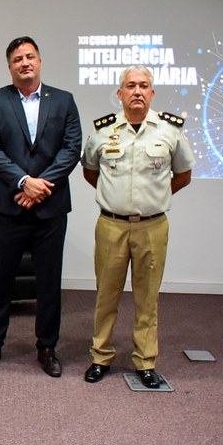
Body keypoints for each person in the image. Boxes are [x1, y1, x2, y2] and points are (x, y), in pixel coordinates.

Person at [0, 36, 82, 377]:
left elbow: (71, 147)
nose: (25, 62)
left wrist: (39, 186)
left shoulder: (63, 100)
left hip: (49, 207)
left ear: (40, 61)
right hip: (7, 206)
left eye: (30, 56)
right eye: (17, 58)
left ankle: (47, 347)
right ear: (10, 66)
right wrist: (23, 182)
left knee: (49, 280)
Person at [81, 65, 195, 388]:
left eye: (144, 86)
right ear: (119, 93)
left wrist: (154, 198)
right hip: (111, 226)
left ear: (152, 93)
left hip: (152, 227)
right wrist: (115, 198)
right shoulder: (103, 131)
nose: (137, 91)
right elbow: (91, 171)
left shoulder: (170, 131)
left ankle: (145, 362)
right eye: (130, 86)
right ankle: (101, 356)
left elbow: (183, 175)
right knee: (106, 295)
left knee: (148, 298)